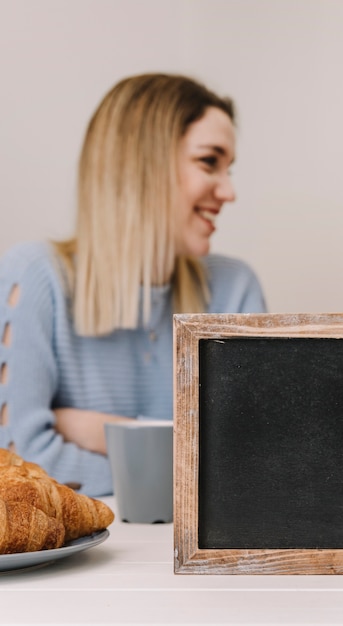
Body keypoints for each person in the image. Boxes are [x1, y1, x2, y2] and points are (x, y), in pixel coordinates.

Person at [0, 73, 266, 496]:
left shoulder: (235, 288)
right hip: (83, 561)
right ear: (142, 164)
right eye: (209, 161)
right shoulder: (33, 278)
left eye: (229, 168)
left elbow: (252, 463)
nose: (229, 191)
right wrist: (177, 461)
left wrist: (109, 432)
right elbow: (17, 465)